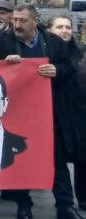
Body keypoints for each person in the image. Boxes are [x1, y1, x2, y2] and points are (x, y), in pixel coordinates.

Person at [0, 4, 73, 219]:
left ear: (35, 21)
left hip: (48, 112)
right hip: (15, 111)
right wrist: (4, 65)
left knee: (56, 158)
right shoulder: (1, 41)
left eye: (23, 20)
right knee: (21, 157)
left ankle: (65, 205)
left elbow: (69, 66)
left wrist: (56, 71)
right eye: (15, 19)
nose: (17, 24)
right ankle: (23, 204)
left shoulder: (53, 43)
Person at [50, 14, 86, 213]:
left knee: (83, 157)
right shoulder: (47, 50)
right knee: (59, 157)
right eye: (59, 27)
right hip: (56, 111)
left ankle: (84, 197)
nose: (64, 30)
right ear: (50, 31)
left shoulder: (81, 50)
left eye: (67, 27)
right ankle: (64, 204)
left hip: (80, 111)